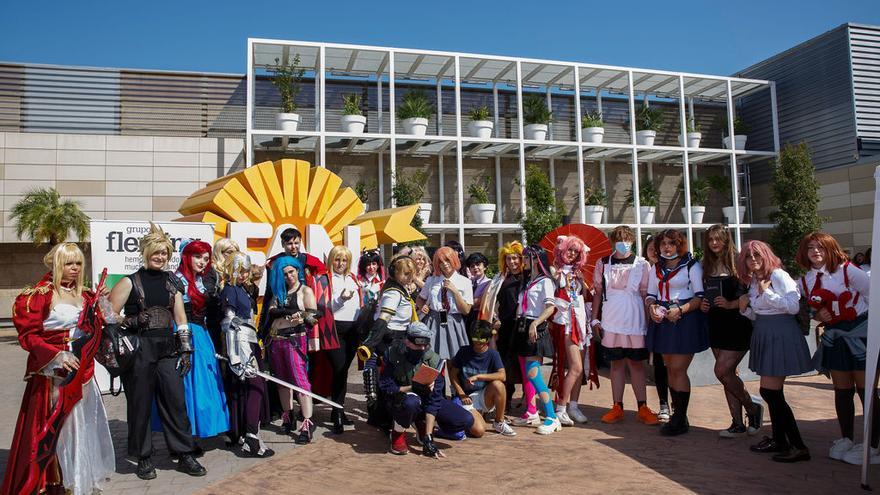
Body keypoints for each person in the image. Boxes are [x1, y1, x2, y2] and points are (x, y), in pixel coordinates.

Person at [3, 243, 114, 495]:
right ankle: (53, 485)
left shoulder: (86, 294)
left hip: (83, 374)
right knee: (55, 430)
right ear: (56, 264)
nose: (74, 268)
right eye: (68, 263)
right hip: (53, 376)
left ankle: (77, 480)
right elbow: (29, 336)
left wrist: (103, 302)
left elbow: (106, 323)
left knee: (81, 428)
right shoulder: (38, 295)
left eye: (77, 263)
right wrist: (56, 354)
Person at [107, 223, 206, 479]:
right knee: (139, 405)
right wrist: (130, 321)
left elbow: (181, 317)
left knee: (176, 403)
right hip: (140, 350)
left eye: (165, 253)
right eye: (156, 252)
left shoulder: (171, 282)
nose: (160, 257)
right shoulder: (129, 282)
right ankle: (143, 457)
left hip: (167, 349)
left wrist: (186, 348)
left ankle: (184, 454)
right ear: (145, 252)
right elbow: (108, 315)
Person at [796, 232, 876, 464]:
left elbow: (872, 294)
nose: (816, 252)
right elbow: (807, 307)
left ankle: (873, 444)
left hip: (860, 331)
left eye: (820, 247)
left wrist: (868, 327)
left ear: (831, 249)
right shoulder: (806, 280)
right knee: (842, 390)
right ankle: (847, 438)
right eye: (811, 247)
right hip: (835, 334)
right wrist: (817, 314)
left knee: (866, 390)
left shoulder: (848, 270)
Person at [738, 240, 812, 463]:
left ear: (766, 255)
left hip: (781, 334)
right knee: (772, 393)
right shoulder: (754, 280)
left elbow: (793, 306)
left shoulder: (778, 276)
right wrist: (745, 309)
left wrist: (767, 293)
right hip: (765, 331)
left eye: (757, 255)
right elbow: (760, 313)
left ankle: (798, 446)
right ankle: (780, 440)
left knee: (771, 393)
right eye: (749, 257)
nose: (753, 260)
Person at [699, 225, 763, 438]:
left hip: (737, 324)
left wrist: (730, 304)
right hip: (715, 323)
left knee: (722, 371)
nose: (714, 243)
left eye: (718, 239)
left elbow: (750, 296)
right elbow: (703, 294)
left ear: (727, 240)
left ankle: (753, 409)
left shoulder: (740, 261)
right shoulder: (706, 265)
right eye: (710, 240)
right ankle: (737, 423)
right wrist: (704, 305)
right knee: (728, 376)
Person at [382, 322, 482, 456]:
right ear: (407, 341)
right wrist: (411, 387)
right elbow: (385, 386)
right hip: (400, 399)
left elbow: (435, 399)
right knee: (410, 403)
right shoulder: (393, 354)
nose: (422, 347)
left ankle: (422, 425)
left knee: (465, 419)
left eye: (426, 343)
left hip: (425, 399)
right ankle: (397, 433)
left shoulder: (434, 360)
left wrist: (428, 437)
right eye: (418, 343)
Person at [592, 226, 659, 426]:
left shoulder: (642, 264)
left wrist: (649, 323)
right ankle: (617, 406)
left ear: (632, 241)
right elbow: (597, 292)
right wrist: (594, 318)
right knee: (616, 364)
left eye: (627, 239)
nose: (623, 242)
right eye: (619, 239)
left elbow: (647, 294)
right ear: (613, 241)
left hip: (635, 320)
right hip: (611, 320)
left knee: (637, 364)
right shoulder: (603, 263)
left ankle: (643, 407)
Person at [645, 229, 708, 436]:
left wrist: (680, 310)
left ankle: (680, 418)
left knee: (679, 369)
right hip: (663, 320)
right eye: (663, 243)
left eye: (672, 243)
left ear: (679, 245)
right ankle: (678, 416)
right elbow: (651, 295)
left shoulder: (691, 265)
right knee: (670, 368)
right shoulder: (656, 268)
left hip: (684, 319)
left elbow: (699, 297)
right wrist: (652, 307)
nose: (667, 247)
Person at [171, 239, 230, 439]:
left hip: (202, 335)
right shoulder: (176, 279)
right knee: (189, 384)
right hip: (184, 333)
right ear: (186, 257)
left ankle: (198, 430)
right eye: (198, 257)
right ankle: (188, 434)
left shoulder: (203, 280)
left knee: (206, 383)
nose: (203, 262)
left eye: (206, 258)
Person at [220, 251, 274, 458]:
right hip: (241, 346)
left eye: (245, 271)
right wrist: (236, 357)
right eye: (238, 270)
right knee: (256, 386)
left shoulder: (243, 290)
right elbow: (229, 323)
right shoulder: (231, 290)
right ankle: (251, 436)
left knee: (252, 388)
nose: (242, 275)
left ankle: (247, 433)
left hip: (250, 343)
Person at [360, 255, 419, 427]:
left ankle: (386, 418)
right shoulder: (393, 293)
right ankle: (387, 420)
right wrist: (369, 344)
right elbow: (383, 319)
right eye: (405, 273)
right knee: (390, 382)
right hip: (391, 340)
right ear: (395, 273)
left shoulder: (400, 289)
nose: (410, 277)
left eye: (411, 273)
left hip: (399, 338)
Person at [265, 256, 319, 444]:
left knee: (300, 380)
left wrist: (303, 317)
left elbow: (314, 315)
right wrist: (289, 313)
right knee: (282, 381)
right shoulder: (278, 293)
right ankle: (288, 415)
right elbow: (272, 311)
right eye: (285, 273)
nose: (289, 276)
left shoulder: (305, 291)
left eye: (291, 271)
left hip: (295, 340)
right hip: (276, 340)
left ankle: (307, 422)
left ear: (297, 271)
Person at [512, 245, 562, 435]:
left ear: (536, 260)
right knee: (527, 373)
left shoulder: (545, 282)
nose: (523, 261)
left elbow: (550, 307)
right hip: (523, 327)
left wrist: (535, 324)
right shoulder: (527, 281)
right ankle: (532, 412)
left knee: (534, 374)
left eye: (527, 258)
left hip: (535, 328)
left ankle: (552, 416)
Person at [548, 235, 591, 426]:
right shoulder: (554, 271)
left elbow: (584, 297)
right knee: (575, 367)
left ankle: (573, 405)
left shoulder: (579, 273)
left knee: (580, 368)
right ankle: (561, 407)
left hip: (581, 322)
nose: (572, 254)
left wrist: (584, 283)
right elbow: (555, 293)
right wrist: (560, 277)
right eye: (569, 250)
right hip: (566, 322)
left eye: (576, 251)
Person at [321, 245, 362, 433]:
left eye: (344, 260)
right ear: (331, 260)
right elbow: (323, 309)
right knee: (339, 368)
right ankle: (337, 411)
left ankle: (338, 409)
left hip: (353, 329)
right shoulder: (324, 279)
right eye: (337, 259)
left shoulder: (353, 279)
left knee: (344, 370)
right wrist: (341, 300)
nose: (340, 263)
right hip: (334, 329)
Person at [449, 321, 516, 436]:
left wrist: (479, 377)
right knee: (479, 431)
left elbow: (502, 376)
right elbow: (453, 374)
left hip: (483, 396)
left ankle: (499, 422)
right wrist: (461, 393)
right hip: (466, 398)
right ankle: (471, 418)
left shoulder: (493, 354)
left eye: (481, 341)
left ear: (488, 340)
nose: (477, 344)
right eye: (475, 340)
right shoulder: (464, 351)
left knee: (498, 385)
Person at [417, 246, 474, 361]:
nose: (445, 264)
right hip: (433, 322)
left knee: (455, 360)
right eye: (441, 262)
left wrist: (455, 292)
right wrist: (422, 306)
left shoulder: (465, 282)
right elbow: (420, 298)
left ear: (454, 260)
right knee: (431, 359)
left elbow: (466, 310)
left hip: (454, 322)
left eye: (447, 260)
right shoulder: (432, 280)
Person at [644, 235, 670, 421]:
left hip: (673, 317)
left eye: (656, 248)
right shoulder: (646, 268)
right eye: (650, 248)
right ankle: (663, 403)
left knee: (674, 366)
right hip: (653, 320)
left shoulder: (671, 267)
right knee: (659, 364)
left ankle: (677, 402)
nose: (654, 252)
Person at [465, 252, 491, 335]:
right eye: (472, 266)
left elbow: (478, 301)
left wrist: (463, 303)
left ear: (485, 266)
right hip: (467, 317)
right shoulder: (468, 282)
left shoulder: (489, 283)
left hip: (480, 318)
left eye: (478, 264)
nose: (475, 268)